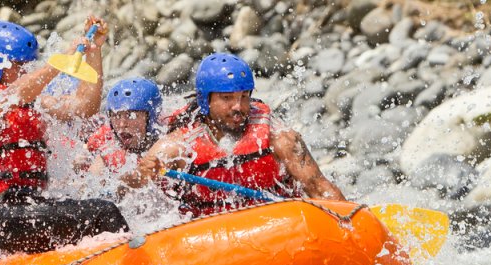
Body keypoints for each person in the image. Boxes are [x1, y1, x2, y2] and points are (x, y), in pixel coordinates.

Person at [0, 18, 129, 254]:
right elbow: (14, 94)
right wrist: (59, 60)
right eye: (18, 64)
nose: (25, 70)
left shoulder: (33, 102)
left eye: (28, 64)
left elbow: (84, 107)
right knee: (103, 213)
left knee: (95, 207)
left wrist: (93, 52)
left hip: (23, 211)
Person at [124, 53, 345, 217]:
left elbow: (320, 188)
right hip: (206, 235)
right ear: (205, 101)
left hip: (278, 225)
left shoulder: (279, 138)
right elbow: (129, 187)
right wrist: (142, 173)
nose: (238, 107)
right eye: (227, 98)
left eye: (244, 97)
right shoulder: (177, 147)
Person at [83, 77, 163, 173]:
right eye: (116, 115)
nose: (122, 124)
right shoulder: (106, 147)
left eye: (131, 115)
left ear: (151, 118)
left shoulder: (167, 147)